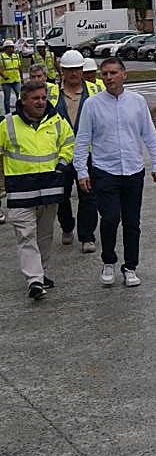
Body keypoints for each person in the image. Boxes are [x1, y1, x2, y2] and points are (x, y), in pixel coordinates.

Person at [74, 57, 156, 288]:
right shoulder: (92, 105)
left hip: (133, 170)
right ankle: (108, 261)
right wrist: (82, 171)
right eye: (105, 74)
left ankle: (131, 267)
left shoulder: (137, 102)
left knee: (132, 222)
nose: (109, 77)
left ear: (124, 74)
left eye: (113, 73)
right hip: (105, 171)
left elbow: (149, 134)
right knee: (111, 218)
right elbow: (82, 140)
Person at [1, 79, 75, 300]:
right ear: (23, 101)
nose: (41, 102)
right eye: (35, 98)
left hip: (49, 190)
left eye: (43, 97)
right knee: (26, 236)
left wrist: (62, 164)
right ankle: (34, 280)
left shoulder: (57, 121)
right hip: (21, 192)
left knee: (44, 236)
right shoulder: (8, 125)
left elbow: (69, 142)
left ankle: (40, 273)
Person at [52, 50, 99, 253]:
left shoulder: (95, 90)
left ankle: (87, 236)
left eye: (77, 69)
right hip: (60, 154)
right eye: (69, 70)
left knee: (88, 195)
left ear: (82, 70)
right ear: (62, 71)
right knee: (61, 196)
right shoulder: (52, 93)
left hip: (88, 153)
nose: (73, 74)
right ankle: (67, 226)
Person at [1, 39, 22, 114]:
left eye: (12, 47)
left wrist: (22, 78)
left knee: (20, 96)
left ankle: (19, 111)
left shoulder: (16, 56)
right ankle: (7, 113)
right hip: (6, 81)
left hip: (16, 79)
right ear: (5, 48)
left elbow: (19, 67)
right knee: (7, 99)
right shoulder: (1, 56)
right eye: (9, 47)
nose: (11, 49)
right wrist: (4, 76)